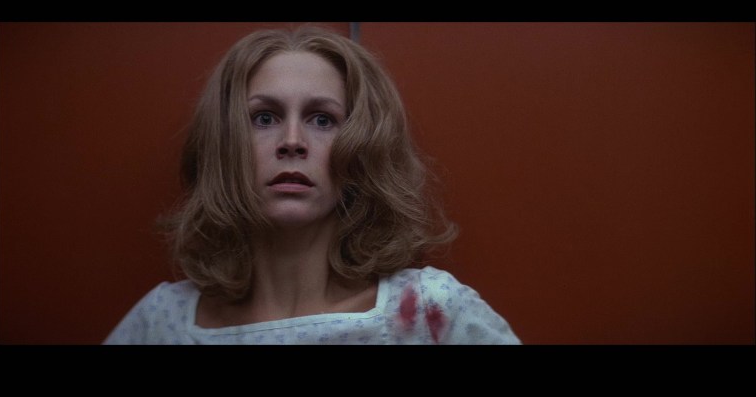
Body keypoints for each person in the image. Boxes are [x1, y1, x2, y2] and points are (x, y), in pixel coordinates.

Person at [104, 25, 520, 344]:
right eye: (264, 118)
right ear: (224, 143)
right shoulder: (162, 323)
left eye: (322, 119)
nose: (292, 141)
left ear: (362, 148)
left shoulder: (430, 313)